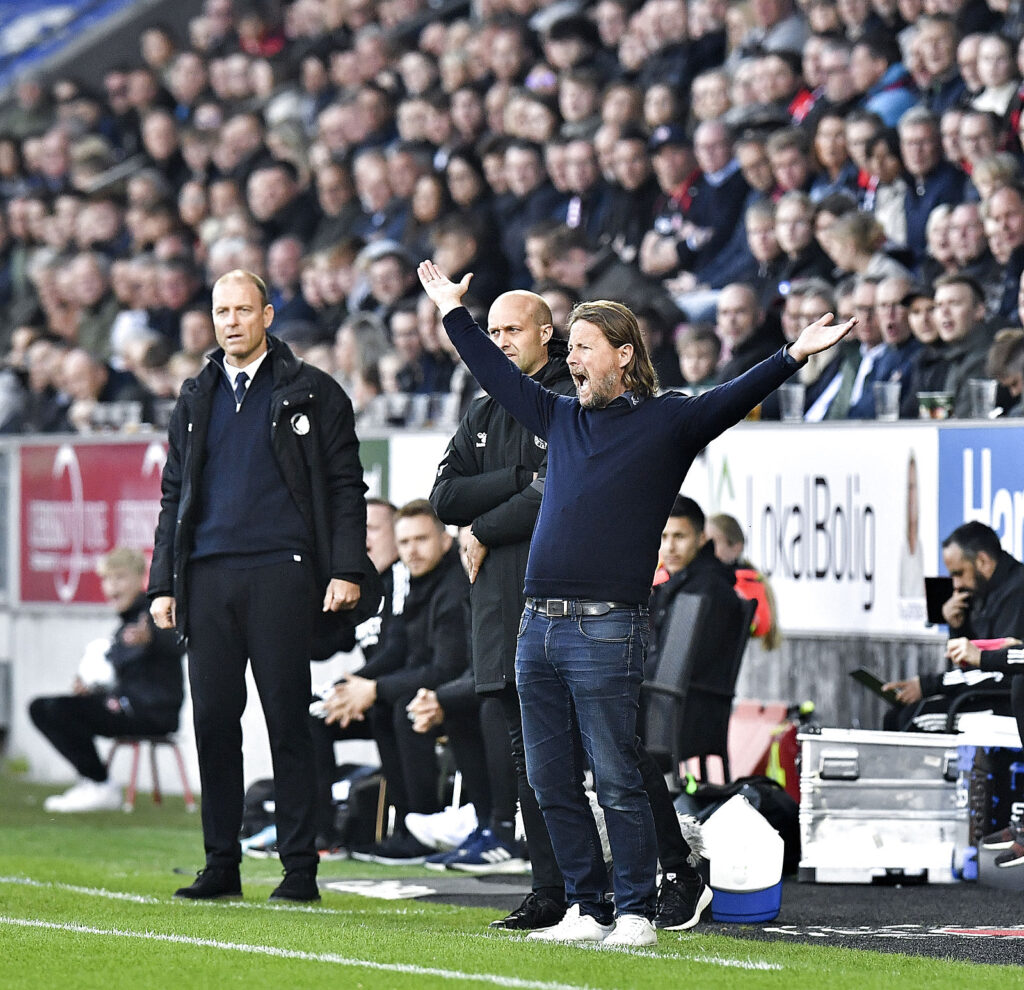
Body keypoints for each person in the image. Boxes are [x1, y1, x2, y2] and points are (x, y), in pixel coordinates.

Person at [417, 258, 854, 947]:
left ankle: (633, 913)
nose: (572, 360)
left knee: (617, 775)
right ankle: (587, 910)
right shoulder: (558, 416)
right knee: (550, 776)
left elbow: (734, 394)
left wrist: (794, 352)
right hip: (537, 624)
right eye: (571, 348)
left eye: (582, 347)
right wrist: (450, 311)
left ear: (623, 355)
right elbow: (491, 371)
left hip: (606, 628)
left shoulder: (669, 421)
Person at [149, 269, 374, 903]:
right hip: (208, 578)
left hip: (284, 573)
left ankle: (299, 867)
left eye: (243, 310)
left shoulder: (315, 391)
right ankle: (221, 862)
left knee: (286, 722)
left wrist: (346, 567)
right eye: (222, 311)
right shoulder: (195, 395)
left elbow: (344, 487)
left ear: (268, 315)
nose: (231, 322)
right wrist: (161, 582)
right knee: (215, 722)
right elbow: (174, 496)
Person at [324, 499, 474, 866]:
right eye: (404, 542)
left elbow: (445, 669)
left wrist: (373, 688)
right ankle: (340, 829)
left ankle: (421, 826)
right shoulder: (413, 583)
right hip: (432, 688)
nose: (412, 550)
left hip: (465, 693)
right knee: (376, 709)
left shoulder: (453, 587)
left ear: (444, 540)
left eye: (421, 539)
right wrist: (359, 686)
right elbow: (397, 650)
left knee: (404, 707)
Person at [30, 547, 185, 813]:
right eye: (107, 579)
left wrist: (152, 640)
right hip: (127, 705)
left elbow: (179, 644)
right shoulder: (125, 625)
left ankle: (99, 784)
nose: (112, 586)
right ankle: (93, 781)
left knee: (54, 710)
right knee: (44, 707)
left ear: (140, 578)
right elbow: (122, 675)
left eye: (120, 578)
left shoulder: (153, 613)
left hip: (152, 712)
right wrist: (91, 688)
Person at [884, 521, 1024, 730]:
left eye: (958, 573)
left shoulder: (1017, 591)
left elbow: (999, 670)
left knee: (917, 719)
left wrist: (929, 686)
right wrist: (957, 626)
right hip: (980, 693)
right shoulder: (977, 592)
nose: (956, 585)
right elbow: (973, 664)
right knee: (895, 715)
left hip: (1004, 700)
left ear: (982, 561)